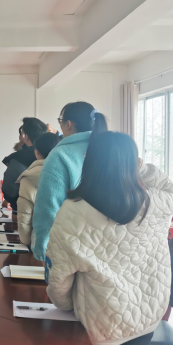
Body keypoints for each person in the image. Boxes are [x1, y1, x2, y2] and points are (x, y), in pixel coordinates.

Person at [45, 132, 173, 345]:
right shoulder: (157, 202)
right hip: (147, 315)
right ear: (135, 163)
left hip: (100, 320)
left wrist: (69, 306)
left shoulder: (74, 210)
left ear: (90, 161)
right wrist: (139, 168)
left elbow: (58, 278)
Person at [31, 101, 107, 261]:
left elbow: (48, 207)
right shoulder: (109, 150)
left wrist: (41, 250)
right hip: (106, 249)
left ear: (68, 124)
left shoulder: (60, 155)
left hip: (70, 249)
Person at [16, 132, 61, 246]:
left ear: (36, 152)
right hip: (64, 242)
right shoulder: (69, 174)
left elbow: (24, 215)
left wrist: (26, 242)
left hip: (39, 242)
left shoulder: (29, 177)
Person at [1, 118, 47, 210]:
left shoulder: (17, 158)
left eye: (22, 133)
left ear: (26, 136)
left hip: (22, 208)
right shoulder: (51, 154)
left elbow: (9, 189)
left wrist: (11, 201)